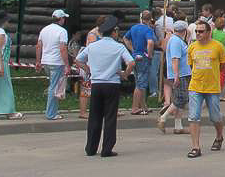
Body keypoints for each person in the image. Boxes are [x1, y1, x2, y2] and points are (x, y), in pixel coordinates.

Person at [75, 17, 134, 157]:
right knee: (110, 117)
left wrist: (88, 69)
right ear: (113, 32)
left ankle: (90, 148)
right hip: (112, 83)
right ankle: (107, 149)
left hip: (96, 83)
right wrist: (125, 74)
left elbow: (78, 60)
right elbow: (131, 63)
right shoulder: (119, 47)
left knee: (94, 116)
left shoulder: (93, 46)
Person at [185, 19, 225, 158]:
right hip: (195, 86)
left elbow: (223, 65)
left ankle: (219, 136)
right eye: (196, 31)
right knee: (193, 116)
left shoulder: (218, 46)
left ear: (208, 32)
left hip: (212, 87)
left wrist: (214, 75)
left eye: (201, 31)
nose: (198, 34)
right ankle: (195, 147)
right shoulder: (192, 47)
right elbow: (191, 65)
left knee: (215, 116)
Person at [35, 9, 70, 121]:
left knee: (53, 85)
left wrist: (38, 61)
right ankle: (51, 113)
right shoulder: (62, 31)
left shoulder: (44, 29)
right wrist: (67, 65)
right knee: (54, 87)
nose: (64, 20)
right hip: (57, 62)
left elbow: (38, 46)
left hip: (46, 61)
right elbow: (63, 48)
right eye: (64, 18)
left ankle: (53, 111)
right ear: (61, 19)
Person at [157, 20, 191, 134]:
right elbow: (175, 58)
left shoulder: (176, 40)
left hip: (181, 73)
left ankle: (178, 126)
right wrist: (176, 75)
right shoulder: (176, 41)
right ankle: (163, 118)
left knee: (180, 99)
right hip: (180, 74)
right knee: (182, 98)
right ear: (184, 31)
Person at [124, 11, 155, 115]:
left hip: (135, 56)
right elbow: (150, 42)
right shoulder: (148, 30)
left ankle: (144, 106)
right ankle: (135, 107)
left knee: (140, 81)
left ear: (141, 18)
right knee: (141, 83)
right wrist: (149, 54)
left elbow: (125, 38)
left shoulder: (134, 28)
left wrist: (132, 49)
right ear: (150, 19)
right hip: (143, 57)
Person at [211, 16, 225, 96]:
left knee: (213, 73)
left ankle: (212, 89)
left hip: (213, 53)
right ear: (224, 25)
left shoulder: (212, 32)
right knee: (222, 74)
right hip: (224, 55)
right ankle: (219, 92)